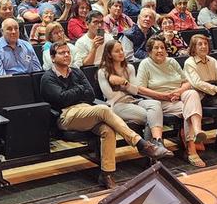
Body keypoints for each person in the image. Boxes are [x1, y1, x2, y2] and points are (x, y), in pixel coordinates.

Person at [41, 40, 171, 189]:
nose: (66, 55)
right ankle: (141, 144)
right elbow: (62, 99)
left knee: (108, 130)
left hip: (86, 110)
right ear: (52, 57)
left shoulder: (76, 71)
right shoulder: (48, 77)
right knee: (104, 109)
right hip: (66, 115)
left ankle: (106, 175)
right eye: (61, 53)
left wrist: (76, 92)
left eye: (68, 52)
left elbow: (89, 95)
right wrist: (79, 89)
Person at [135, 37, 205, 166]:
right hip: (159, 101)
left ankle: (197, 130)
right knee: (189, 110)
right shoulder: (145, 64)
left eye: (162, 47)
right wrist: (164, 95)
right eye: (156, 48)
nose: (160, 50)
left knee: (192, 93)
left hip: (177, 97)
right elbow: (140, 88)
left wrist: (178, 92)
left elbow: (186, 82)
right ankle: (192, 149)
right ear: (149, 51)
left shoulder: (172, 61)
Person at [97, 40, 166, 152]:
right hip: (117, 105)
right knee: (150, 116)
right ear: (109, 55)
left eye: (121, 50)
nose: (121, 53)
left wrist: (123, 82)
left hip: (132, 100)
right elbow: (109, 95)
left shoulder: (129, 68)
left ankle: (156, 143)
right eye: (117, 51)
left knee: (156, 104)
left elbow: (135, 90)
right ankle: (152, 151)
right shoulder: (103, 72)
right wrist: (127, 88)